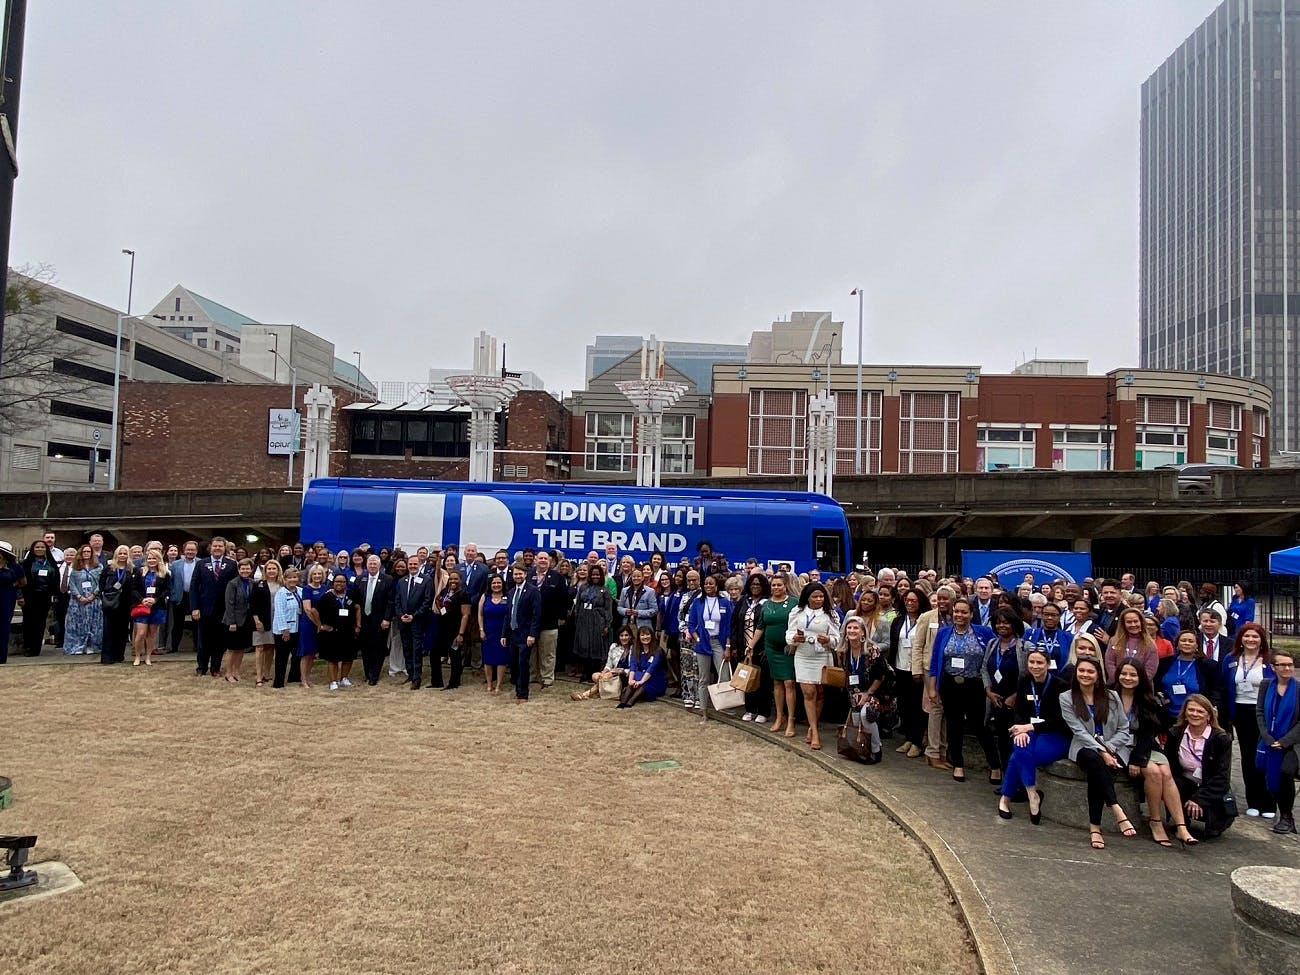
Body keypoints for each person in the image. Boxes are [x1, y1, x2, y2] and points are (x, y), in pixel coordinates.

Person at [1112, 660, 1196, 848]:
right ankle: (1156, 822)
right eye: (1124, 674)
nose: (1128, 678)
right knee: (1153, 772)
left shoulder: (1148, 699)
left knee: (1165, 772)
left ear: (1140, 678)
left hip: (1143, 744)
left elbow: (1149, 732)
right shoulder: (1110, 695)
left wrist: (1137, 758)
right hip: (1120, 746)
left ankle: (1181, 826)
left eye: (1133, 675)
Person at [1060, 657, 1138, 849]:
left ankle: (1095, 827)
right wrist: (1103, 752)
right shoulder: (1066, 698)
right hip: (1084, 747)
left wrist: (1109, 748)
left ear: (1098, 675)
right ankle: (1116, 808)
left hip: (1115, 746)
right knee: (1095, 760)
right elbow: (1079, 731)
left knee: (1098, 772)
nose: (1085, 675)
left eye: (1090, 672)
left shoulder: (1112, 696)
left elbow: (1123, 727)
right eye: (1081, 671)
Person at [928, 597, 997, 782]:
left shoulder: (984, 632)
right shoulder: (943, 633)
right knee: (954, 725)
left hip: (975, 685)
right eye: (957, 611)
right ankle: (958, 764)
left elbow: (994, 656)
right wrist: (932, 688)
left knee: (980, 726)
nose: (959, 615)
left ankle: (995, 765)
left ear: (971, 614)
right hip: (950, 685)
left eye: (964, 612)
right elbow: (935, 661)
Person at [997, 649, 1069, 823]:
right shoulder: (1024, 682)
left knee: (1018, 757)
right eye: (1032, 662)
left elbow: (1059, 720)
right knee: (1020, 746)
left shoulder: (1061, 686)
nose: (1035, 666)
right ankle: (1032, 794)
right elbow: (1019, 711)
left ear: (1048, 664)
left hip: (1053, 734)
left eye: (1039, 663)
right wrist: (1021, 729)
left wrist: (1028, 727)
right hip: (1028, 731)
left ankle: (1005, 798)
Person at [1221, 623, 1276, 818]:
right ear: (1240, 639)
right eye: (1247, 636)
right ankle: (1253, 800)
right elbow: (1225, 687)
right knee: (1248, 757)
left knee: (1265, 756)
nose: (1251, 640)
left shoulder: (1270, 660)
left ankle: (1269, 802)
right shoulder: (1231, 659)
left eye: (1255, 637)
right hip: (1240, 712)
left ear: (1262, 640)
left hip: (1264, 713)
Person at [1167, 693, 1235, 839]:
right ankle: (1181, 822)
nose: (1194, 714)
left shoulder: (1221, 739)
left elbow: (1222, 778)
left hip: (1210, 788)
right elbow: (1171, 768)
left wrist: (1199, 799)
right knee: (1170, 782)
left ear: (1209, 715)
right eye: (1191, 710)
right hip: (1185, 784)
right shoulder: (1175, 734)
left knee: (1213, 831)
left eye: (1200, 711)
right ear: (1184, 713)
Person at [785, 581, 840, 751]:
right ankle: (815, 732)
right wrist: (795, 638)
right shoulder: (797, 612)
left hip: (822, 655)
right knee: (808, 692)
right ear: (807, 597)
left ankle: (811, 725)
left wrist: (828, 640)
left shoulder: (830, 614)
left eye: (821, 596)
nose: (818, 599)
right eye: (815, 596)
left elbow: (837, 638)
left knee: (820, 692)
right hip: (803, 655)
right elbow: (789, 633)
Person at [1255, 647, 1300, 835]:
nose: (1287, 669)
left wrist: (1284, 741)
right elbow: (1259, 713)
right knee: (1270, 777)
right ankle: (1282, 813)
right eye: (1282, 665)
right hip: (1269, 740)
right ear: (1273, 667)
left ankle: (1286, 816)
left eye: (1290, 665)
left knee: (1285, 773)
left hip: (1293, 743)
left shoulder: (1298, 689)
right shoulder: (1266, 685)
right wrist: (1267, 737)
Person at [914, 585, 956, 771]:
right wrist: (916, 669)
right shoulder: (927, 617)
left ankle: (942, 750)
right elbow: (918, 645)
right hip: (930, 669)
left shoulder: (958, 616)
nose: (941, 602)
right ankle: (932, 752)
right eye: (939, 598)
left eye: (945, 598)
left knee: (946, 711)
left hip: (951, 670)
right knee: (935, 708)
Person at [686, 573, 734, 722]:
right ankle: (704, 711)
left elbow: (728, 627)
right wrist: (697, 638)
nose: (708, 586)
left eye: (711, 584)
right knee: (703, 678)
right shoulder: (698, 603)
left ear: (717, 586)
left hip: (719, 642)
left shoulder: (725, 602)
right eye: (706, 583)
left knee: (724, 675)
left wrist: (727, 647)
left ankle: (725, 708)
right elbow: (691, 624)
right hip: (703, 643)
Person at [842, 617, 891, 764]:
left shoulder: (872, 649)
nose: (852, 631)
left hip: (876, 690)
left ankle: (876, 750)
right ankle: (861, 748)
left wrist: (867, 694)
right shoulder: (845, 649)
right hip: (855, 689)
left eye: (856, 628)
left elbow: (880, 676)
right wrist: (855, 694)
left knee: (866, 716)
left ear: (863, 631)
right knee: (856, 718)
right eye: (849, 628)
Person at [190, 537, 239, 678]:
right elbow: (194, 587)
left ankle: (215, 667)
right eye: (215, 546)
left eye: (220, 546)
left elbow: (235, 587)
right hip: (204, 609)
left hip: (223, 610)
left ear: (225, 548)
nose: (217, 548)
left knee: (220, 640)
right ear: (210, 548)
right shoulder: (201, 564)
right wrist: (194, 607)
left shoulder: (231, 564)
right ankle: (201, 667)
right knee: (203, 640)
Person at [888, 588, 925, 756]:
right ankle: (909, 738)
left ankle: (917, 741)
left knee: (917, 707)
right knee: (904, 706)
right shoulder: (898, 621)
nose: (910, 603)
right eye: (907, 600)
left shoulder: (925, 620)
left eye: (914, 601)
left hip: (917, 670)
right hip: (900, 667)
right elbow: (893, 644)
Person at [1155, 630, 1222, 720]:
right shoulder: (1164, 663)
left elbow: (1215, 689)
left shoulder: (1208, 665)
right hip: (1166, 715)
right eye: (1183, 640)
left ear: (1197, 645)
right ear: (1177, 644)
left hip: (1195, 715)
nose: (1187, 643)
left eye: (1191, 641)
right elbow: (1156, 684)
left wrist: (1213, 706)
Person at [733, 572, 772, 724]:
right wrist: (735, 646)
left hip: (761, 648)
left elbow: (768, 626)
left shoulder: (767, 603)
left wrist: (766, 647)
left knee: (763, 681)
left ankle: (763, 711)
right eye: (753, 584)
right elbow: (734, 623)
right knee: (746, 678)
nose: (755, 587)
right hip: (744, 648)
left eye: (758, 584)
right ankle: (750, 709)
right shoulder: (743, 601)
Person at [531, 551, 571, 690]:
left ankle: (547, 678)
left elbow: (565, 599)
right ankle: (532, 676)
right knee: (531, 652)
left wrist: (561, 617)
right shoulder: (529, 575)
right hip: (530, 622)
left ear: (550, 561)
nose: (542, 560)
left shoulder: (558, 577)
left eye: (545, 559)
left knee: (548, 653)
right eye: (540, 558)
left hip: (550, 622)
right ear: (536, 560)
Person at [351, 554, 393, 686]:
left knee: (378, 648)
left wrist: (387, 618)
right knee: (365, 647)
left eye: (375, 564)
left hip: (380, 620)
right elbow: (356, 601)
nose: (372, 566)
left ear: (379, 565)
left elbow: (390, 601)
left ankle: (374, 675)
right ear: (366, 565)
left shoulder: (387, 579)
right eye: (370, 564)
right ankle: (367, 672)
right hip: (363, 620)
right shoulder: (360, 579)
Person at [393, 554, 433, 689]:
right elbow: (397, 600)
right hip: (403, 621)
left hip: (417, 621)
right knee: (406, 648)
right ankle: (410, 674)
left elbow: (427, 601)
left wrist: (414, 616)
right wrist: (400, 615)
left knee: (416, 650)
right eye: (410, 564)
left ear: (419, 565)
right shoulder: (402, 581)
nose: (413, 567)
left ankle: (417, 677)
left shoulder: (426, 580)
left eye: (415, 564)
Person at [570, 563, 613, 681]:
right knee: (584, 646)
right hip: (583, 620)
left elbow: (608, 609)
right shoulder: (584, 587)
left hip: (598, 621)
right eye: (593, 574)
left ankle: (593, 674)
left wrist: (607, 625)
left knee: (595, 647)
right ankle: (585, 672)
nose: (595, 577)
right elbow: (578, 603)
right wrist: (577, 618)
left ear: (601, 576)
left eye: (597, 575)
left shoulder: (605, 590)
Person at [316, 571, 358, 690]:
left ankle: (344, 678)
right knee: (332, 658)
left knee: (348, 657)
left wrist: (357, 625)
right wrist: (321, 625)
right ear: (333, 583)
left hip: (348, 631)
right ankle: (333, 681)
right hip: (332, 632)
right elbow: (315, 611)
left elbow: (357, 608)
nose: (340, 584)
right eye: (337, 581)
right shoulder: (326, 596)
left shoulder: (351, 594)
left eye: (343, 582)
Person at [505, 564, 541, 703]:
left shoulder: (533, 591)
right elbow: (508, 615)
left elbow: (536, 615)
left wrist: (532, 634)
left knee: (523, 663)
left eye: (520, 574)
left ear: (525, 574)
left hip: (526, 635)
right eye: (515, 574)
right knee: (514, 664)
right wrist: (504, 634)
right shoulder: (511, 592)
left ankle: (523, 694)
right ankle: (517, 688)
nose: (518, 576)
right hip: (513, 633)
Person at [128, 548, 170, 667]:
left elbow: (167, 590)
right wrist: (142, 599)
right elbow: (133, 588)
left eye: (154, 558)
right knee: (141, 633)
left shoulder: (164, 574)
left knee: (151, 634)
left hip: (157, 606)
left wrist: (155, 599)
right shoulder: (140, 571)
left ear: (158, 560)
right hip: (141, 605)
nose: (151, 561)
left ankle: (148, 656)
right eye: (149, 558)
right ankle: (137, 656)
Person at [570, 624, 633, 701]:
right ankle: (600, 691)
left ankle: (585, 695)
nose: (624, 638)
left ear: (630, 636)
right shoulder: (614, 646)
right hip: (612, 673)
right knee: (595, 676)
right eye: (621, 635)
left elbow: (633, 669)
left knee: (606, 677)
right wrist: (604, 671)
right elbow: (609, 664)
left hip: (625, 675)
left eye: (626, 635)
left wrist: (617, 671)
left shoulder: (634, 649)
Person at [432, 568, 471, 690]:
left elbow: (465, 615)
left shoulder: (464, 594)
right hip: (442, 628)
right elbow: (439, 601)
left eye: (456, 579)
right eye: (451, 578)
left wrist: (461, 633)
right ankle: (436, 681)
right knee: (434, 653)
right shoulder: (445, 591)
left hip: (455, 629)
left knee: (454, 656)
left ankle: (454, 682)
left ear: (460, 580)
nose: (453, 581)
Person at [62, 545, 103, 656]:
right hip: (78, 601)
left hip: (93, 600)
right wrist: (79, 596)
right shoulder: (75, 568)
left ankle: (91, 645)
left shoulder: (98, 567)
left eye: (88, 551)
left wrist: (93, 595)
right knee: (78, 625)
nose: (86, 553)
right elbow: (72, 583)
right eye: (84, 551)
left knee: (93, 624)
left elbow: (101, 583)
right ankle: (78, 646)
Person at [18, 539, 57, 656]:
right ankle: (28, 647)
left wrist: (54, 593)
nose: (40, 549)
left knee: (40, 623)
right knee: (29, 622)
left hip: (44, 596)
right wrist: (20, 596)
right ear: (33, 549)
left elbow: (56, 579)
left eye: (42, 547)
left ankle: (36, 648)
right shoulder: (25, 563)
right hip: (29, 596)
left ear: (46, 549)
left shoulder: (50, 562)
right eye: (37, 547)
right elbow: (20, 581)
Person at [1102, 607, 1159, 683]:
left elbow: (1150, 669)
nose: (1133, 624)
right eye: (1129, 622)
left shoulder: (1150, 644)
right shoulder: (1114, 641)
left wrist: (1135, 683)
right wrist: (1119, 681)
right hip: (1116, 684)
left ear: (1141, 622)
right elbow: (1110, 663)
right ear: (1123, 624)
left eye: (1136, 621)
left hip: (1142, 686)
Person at [221, 558, 255, 681]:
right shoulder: (233, 584)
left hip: (246, 621)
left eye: (247, 568)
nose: (245, 570)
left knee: (241, 648)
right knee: (232, 649)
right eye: (242, 568)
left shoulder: (252, 582)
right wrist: (232, 622)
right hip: (233, 621)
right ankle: (228, 673)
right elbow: (229, 604)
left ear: (251, 570)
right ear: (239, 569)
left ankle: (236, 671)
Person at [250, 559, 282, 686]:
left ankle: (267, 674)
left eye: (274, 568)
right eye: (269, 569)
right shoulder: (258, 584)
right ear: (265, 570)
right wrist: (257, 621)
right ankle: (258, 676)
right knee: (259, 647)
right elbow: (253, 605)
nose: (271, 571)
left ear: (278, 570)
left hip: (276, 620)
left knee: (270, 647)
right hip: (261, 620)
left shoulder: (282, 585)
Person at [99, 545, 133, 666]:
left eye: (125, 554)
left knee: (122, 630)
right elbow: (101, 584)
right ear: (116, 555)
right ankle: (108, 656)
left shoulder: (131, 569)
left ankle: (119, 655)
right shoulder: (109, 568)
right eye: (120, 553)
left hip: (125, 604)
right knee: (109, 630)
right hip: (111, 603)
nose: (122, 556)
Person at [618, 625, 666, 709]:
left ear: (652, 635)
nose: (645, 637)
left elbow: (652, 669)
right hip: (640, 675)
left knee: (645, 684)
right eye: (642, 635)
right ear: (639, 637)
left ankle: (631, 701)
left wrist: (641, 681)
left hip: (655, 679)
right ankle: (623, 703)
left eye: (647, 635)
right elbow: (633, 666)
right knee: (633, 682)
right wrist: (630, 681)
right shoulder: (635, 650)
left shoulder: (658, 651)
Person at [271, 567, 304, 688]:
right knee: (282, 657)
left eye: (294, 577)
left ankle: (294, 677)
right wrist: (284, 630)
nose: (292, 580)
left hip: (297, 628)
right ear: (285, 579)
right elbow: (279, 612)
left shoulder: (301, 591)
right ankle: (278, 682)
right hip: (283, 631)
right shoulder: (281, 593)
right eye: (289, 577)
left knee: (297, 655)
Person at [478, 572, 510, 694]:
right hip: (488, 632)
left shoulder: (507, 597)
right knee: (488, 659)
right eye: (494, 583)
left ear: (502, 584)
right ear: (490, 585)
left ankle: (499, 684)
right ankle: (489, 684)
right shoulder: (484, 597)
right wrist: (481, 630)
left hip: (502, 633)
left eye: (499, 583)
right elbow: (480, 615)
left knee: (501, 659)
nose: (496, 585)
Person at [676, 569, 703, 708]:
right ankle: (688, 695)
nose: (692, 582)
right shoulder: (684, 596)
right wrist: (685, 630)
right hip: (685, 637)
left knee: (698, 667)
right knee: (686, 666)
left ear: (699, 580)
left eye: (694, 580)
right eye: (689, 580)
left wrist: (695, 632)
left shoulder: (704, 596)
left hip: (699, 637)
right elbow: (680, 616)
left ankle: (699, 697)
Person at [0, 541, 26, 664]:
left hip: (6, 597)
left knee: (3, 626)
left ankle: (1, 656)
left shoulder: (14, 567)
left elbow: (23, 582)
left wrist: (13, 587)